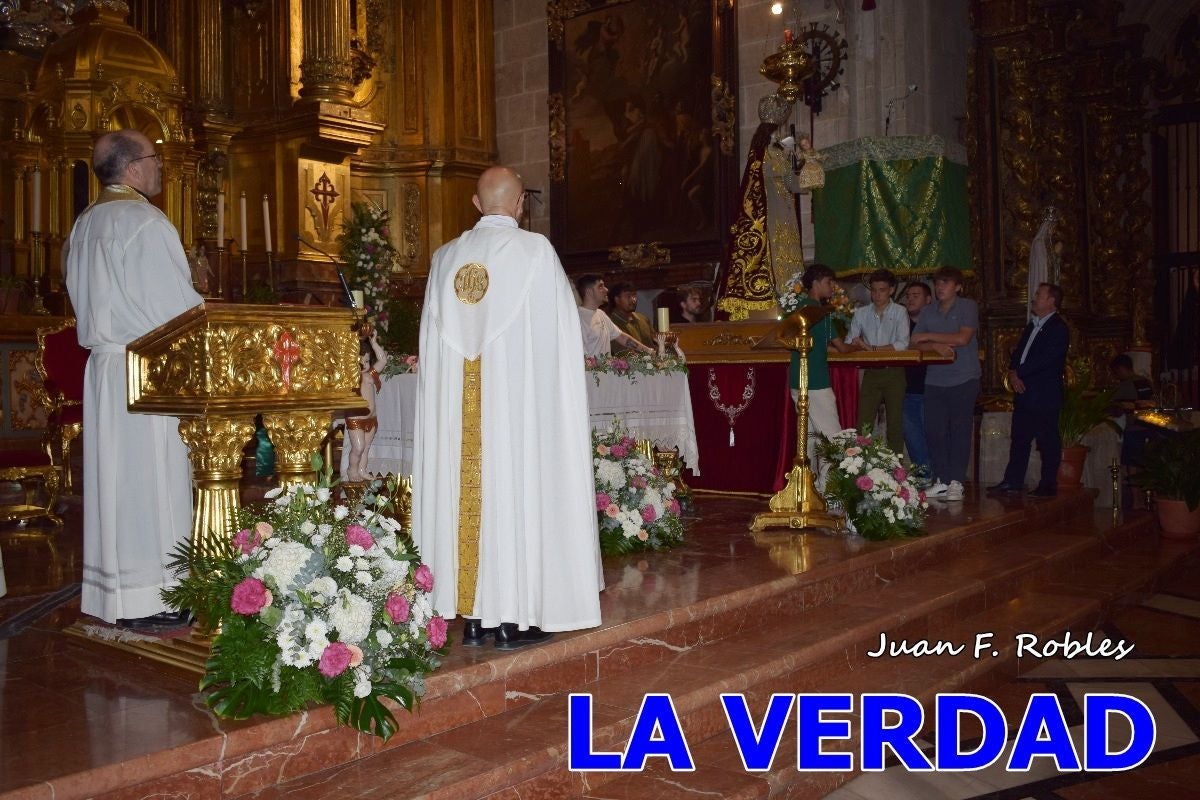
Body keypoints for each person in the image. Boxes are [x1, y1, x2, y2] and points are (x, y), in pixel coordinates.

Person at [413, 165, 603, 650]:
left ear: (476, 205)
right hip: (515, 417)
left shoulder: (444, 259)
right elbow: (557, 344)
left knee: (465, 491)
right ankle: (514, 617)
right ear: (520, 205)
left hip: (459, 418)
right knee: (515, 491)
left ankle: (473, 616)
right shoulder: (534, 252)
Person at [63, 129, 203, 628]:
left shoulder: (85, 224)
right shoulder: (143, 222)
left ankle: (115, 596)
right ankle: (159, 595)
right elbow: (177, 311)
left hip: (104, 369)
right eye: (153, 158)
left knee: (114, 482)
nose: (160, 166)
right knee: (152, 481)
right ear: (132, 168)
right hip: (147, 364)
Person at [990, 283, 1069, 497]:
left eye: (1038, 295)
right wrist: (1014, 372)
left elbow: (1046, 359)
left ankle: (1048, 484)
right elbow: (1018, 353)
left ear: (1051, 301)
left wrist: (1020, 372)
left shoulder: (1058, 328)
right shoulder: (1031, 325)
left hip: (1044, 393)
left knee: (1047, 439)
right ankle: (1013, 481)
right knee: (1020, 438)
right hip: (1025, 391)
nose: (1034, 298)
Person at [910, 266, 980, 502]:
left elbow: (962, 338)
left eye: (946, 283)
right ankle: (941, 479)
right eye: (938, 283)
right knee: (934, 431)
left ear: (957, 287)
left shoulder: (967, 306)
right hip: (935, 380)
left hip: (964, 377)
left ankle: (956, 481)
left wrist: (929, 337)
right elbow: (914, 343)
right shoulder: (929, 312)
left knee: (959, 430)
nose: (940, 287)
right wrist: (934, 346)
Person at [789, 264, 851, 484]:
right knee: (832, 435)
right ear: (815, 284)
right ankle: (832, 486)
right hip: (815, 380)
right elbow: (842, 347)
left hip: (797, 379)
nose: (832, 287)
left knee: (811, 437)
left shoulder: (796, 309)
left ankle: (812, 484)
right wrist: (862, 346)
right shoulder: (817, 311)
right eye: (828, 282)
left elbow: (818, 344)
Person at [846, 269, 909, 455]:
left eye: (881, 290)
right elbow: (851, 340)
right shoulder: (861, 313)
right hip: (871, 372)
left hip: (894, 372)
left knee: (895, 424)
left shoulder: (900, 311)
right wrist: (858, 346)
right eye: (873, 290)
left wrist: (870, 349)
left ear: (891, 290)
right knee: (863, 425)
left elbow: (902, 344)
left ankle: (897, 472)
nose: (877, 295)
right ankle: (859, 470)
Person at [344, 327, 388, 482]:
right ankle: (352, 470)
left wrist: (374, 343)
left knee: (366, 448)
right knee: (358, 447)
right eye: (360, 361)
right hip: (356, 418)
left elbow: (382, 359)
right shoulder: (349, 378)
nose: (364, 364)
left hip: (372, 418)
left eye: (367, 361)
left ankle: (362, 470)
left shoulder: (370, 375)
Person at [576, 274, 654, 357]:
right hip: (590, 370)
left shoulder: (600, 314)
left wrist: (649, 351)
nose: (606, 289)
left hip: (606, 369)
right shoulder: (578, 318)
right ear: (589, 292)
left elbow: (622, 337)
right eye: (600, 286)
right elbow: (579, 354)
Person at [901, 281, 934, 477]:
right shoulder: (901, 323)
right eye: (908, 295)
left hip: (932, 388)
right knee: (913, 438)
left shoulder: (936, 323)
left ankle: (940, 476)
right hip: (907, 389)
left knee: (934, 436)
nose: (910, 299)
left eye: (916, 295)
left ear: (928, 300)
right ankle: (923, 476)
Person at [607, 281, 656, 352]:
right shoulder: (611, 322)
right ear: (617, 299)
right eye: (628, 296)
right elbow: (623, 353)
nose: (633, 300)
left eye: (634, 295)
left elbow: (655, 342)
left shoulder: (643, 318)